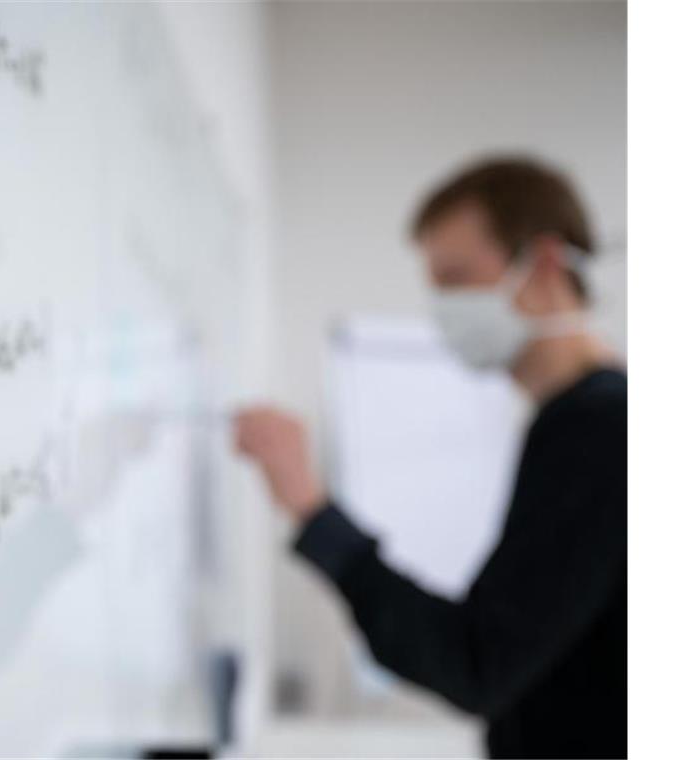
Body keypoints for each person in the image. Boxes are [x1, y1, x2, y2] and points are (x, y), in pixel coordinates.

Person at [235, 157, 626, 759]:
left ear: (545, 263)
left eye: (456, 279)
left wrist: (313, 511)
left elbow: (476, 664)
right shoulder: (590, 418)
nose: (442, 308)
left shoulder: (599, 428)